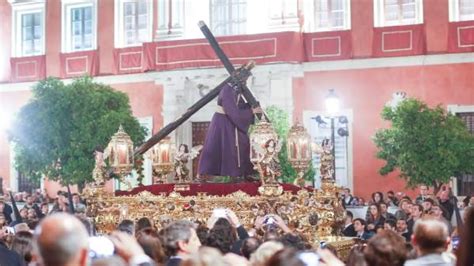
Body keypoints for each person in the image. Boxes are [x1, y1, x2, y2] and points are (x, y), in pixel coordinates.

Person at [198, 82, 262, 180]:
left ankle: (244, 173)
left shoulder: (235, 91)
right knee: (223, 147)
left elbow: (238, 107)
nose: (245, 82)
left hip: (229, 122)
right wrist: (251, 112)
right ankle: (206, 174)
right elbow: (233, 111)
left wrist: (251, 106)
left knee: (243, 142)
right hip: (223, 123)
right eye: (244, 80)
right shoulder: (228, 90)